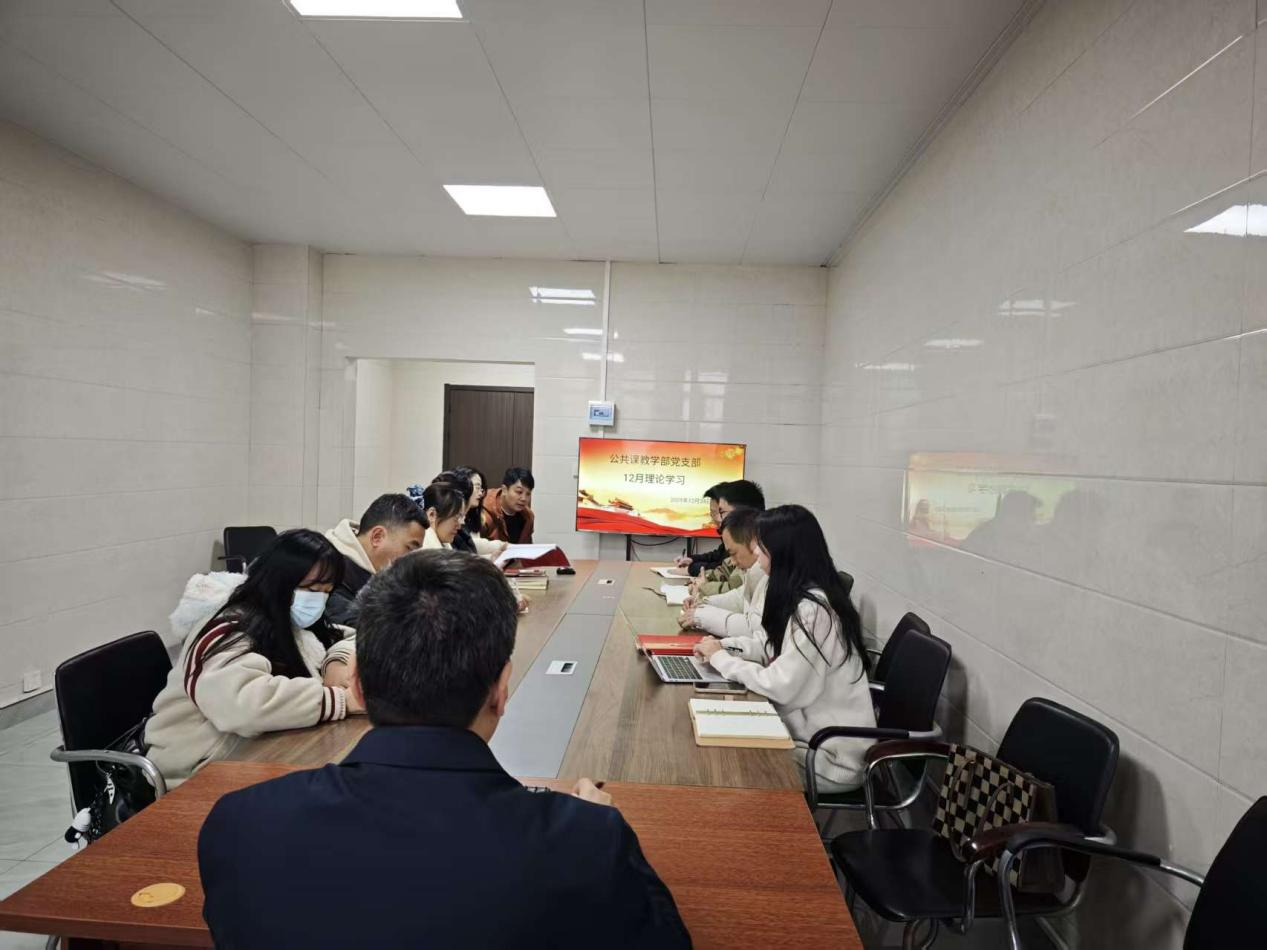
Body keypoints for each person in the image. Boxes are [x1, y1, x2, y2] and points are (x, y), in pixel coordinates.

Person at [198, 550, 691, 949]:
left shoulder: (239, 824)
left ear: (358, 686)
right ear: (501, 690)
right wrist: (600, 828)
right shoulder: (584, 841)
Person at [145, 530, 365, 783]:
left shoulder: (292, 621)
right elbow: (243, 704)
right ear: (278, 580)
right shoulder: (227, 631)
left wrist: (335, 660)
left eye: (326, 591)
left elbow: (350, 637)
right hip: (194, 771)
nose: (319, 600)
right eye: (311, 589)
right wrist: (340, 700)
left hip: (257, 754)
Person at [694, 505, 874, 793]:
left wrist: (723, 660)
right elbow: (768, 647)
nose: (757, 556)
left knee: (727, 762)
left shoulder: (814, 611)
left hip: (828, 757)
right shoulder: (804, 599)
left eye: (762, 548)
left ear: (784, 553)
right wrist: (722, 647)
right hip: (805, 736)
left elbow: (781, 685)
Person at [323, 493, 427, 626]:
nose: (413, 559)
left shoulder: (378, 575)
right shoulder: (327, 574)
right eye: (410, 548)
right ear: (377, 537)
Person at [678, 507, 766, 640]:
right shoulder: (754, 571)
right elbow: (740, 598)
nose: (733, 562)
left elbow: (755, 628)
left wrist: (703, 616)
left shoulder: (769, 573)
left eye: (721, 512)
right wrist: (704, 603)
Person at [693, 479, 766, 597]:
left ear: (741, 513)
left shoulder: (760, 553)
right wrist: (704, 578)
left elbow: (736, 592)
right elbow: (726, 568)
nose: (718, 518)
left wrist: (704, 587)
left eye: (721, 512)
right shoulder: (739, 540)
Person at [673, 482, 728, 576]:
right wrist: (692, 559)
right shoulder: (727, 533)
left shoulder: (741, 536)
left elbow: (722, 568)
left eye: (718, 512)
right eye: (712, 513)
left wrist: (691, 569)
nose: (716, 519)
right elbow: (718, 555)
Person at [453, 465, 508, 557]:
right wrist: (503, 546)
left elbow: (471, 555)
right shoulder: (451, 516)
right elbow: (471, 546)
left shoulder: (474, 516)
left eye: (481, 489)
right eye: (477, 487)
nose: (480, 494)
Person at [482, 466, 535, 544]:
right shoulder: (484, 512)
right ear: (504, 490)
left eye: (528, 494)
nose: (524, 498)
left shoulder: (528, 517)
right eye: (519, 492)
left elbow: (527, 547)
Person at [420, 480, 466, 550]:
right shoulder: (425, 550)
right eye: (456, 517)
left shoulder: (441, 544)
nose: (459, 526)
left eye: (461, 517)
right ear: (431, 514)